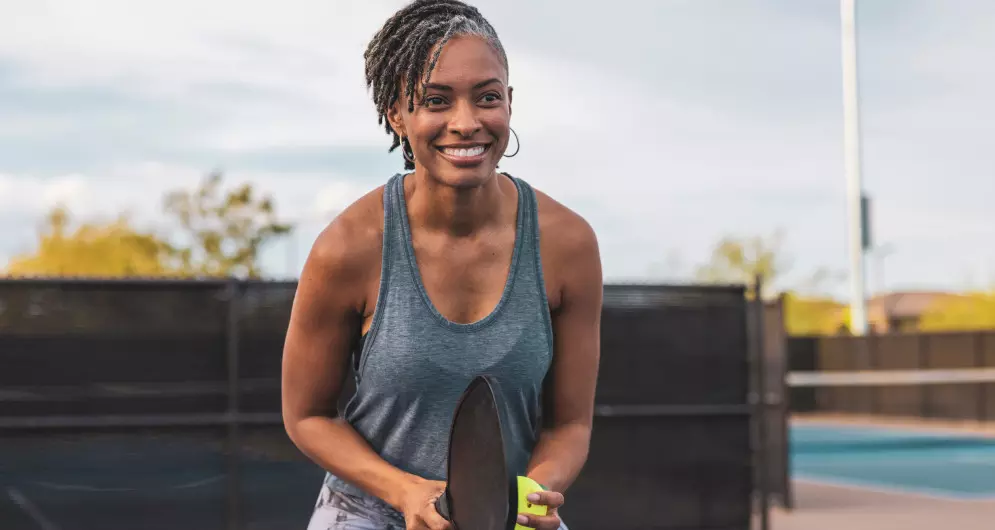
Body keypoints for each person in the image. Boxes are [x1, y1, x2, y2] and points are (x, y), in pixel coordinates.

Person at [281, 1, 602, 528]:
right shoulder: (347, 247)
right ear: (396, 114)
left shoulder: (568, 244)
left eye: (487, 98)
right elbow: (306, 416)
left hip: (508, 513)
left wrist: (534, 494)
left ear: (510, 104)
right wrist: (405, 492)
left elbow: (570, 425)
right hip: (372, 508)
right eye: (435, 100)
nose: (466, 122)